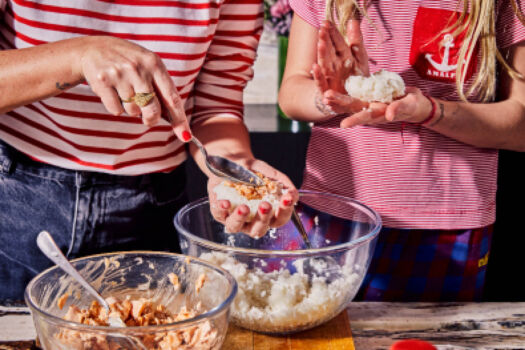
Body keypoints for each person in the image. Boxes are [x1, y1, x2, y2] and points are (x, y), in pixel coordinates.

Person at [0, 0, 298, 301]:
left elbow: (215, 108)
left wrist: (233, 168)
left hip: (150, 211)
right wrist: (78, 57)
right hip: (18, 200)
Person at [279, 0, 525, 301]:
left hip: (447, 225)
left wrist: (431, 112)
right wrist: (332, 96)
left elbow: (520, 127)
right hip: (331, 212)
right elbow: (291, 93)